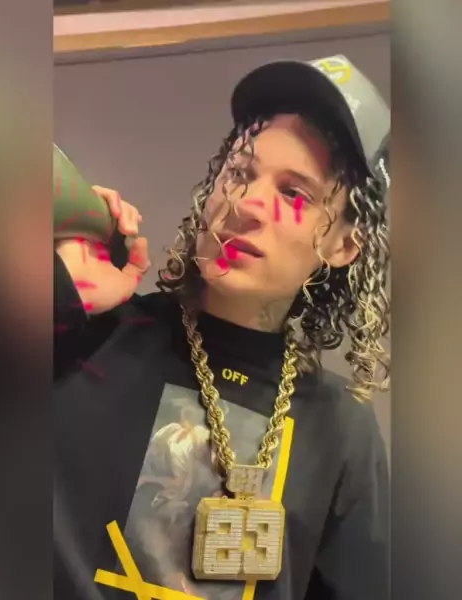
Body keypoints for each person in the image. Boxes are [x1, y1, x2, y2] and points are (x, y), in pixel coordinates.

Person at [54, 55, 390, 600]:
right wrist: (58, 289)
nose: (248, 203)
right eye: (240, 173)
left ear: (344, 246)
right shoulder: (93, 337)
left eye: (294, 194)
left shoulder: (340, 431)